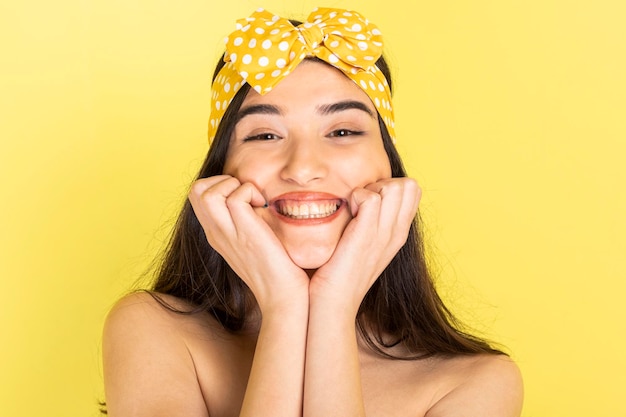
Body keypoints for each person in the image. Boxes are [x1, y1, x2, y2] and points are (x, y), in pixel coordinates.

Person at [102, 7, 523, 417]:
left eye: (343, 131)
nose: (303, 168)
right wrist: (285, 307)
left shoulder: (476, 384)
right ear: (220, 174)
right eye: (265, 134)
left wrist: (332, 305)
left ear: (390, 169)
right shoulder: (154, 331)